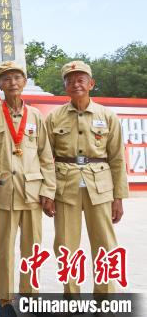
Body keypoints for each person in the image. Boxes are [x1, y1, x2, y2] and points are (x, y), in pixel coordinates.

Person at [45, 60, 128, 296]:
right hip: (65, 186)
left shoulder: (107, 115)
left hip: (100, 187)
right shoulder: (54, 117)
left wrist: (118, 198)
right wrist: (47, 193)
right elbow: (45, 159)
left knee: (105, 244)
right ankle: (71, 297)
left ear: (91, 83)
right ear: (64, 87)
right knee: (65, 244)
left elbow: (117, 159)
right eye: (70, 81)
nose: (76, 84)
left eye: (81, 80)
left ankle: (105, 298)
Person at [0, 61, 55, 317]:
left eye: (17, 77)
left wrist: (48, 191)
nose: (12, 82)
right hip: (3, 191)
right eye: (6, 78)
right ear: (0, 84)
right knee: (3, 250)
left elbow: (46, 155)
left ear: (24, 82)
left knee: (32, 248)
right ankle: (5, 300)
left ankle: (30, 295)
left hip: (32, 192)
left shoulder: (35, 116)